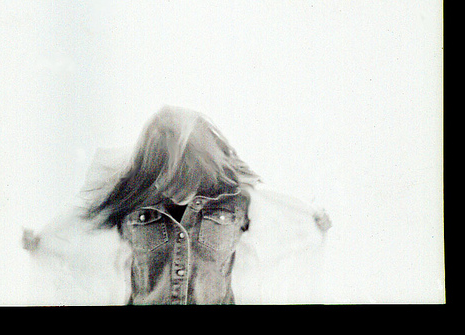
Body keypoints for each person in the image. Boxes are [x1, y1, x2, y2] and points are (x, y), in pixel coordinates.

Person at [23, 106, 331, 305]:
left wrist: (311, 222)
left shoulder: (236, 202)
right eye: (161, 172)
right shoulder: (130, 205)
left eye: (180, 173)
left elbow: (278, 216)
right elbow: (85, 228)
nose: (170, 185)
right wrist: (44, 241)